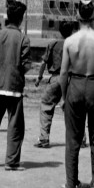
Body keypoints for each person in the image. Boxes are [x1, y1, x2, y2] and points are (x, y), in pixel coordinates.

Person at [60, 0, 94, 188]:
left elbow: (63, 73)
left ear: (77, 16)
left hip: (74, 84)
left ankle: (71, 182)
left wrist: (64, 97)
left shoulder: (69, 42)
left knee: (72, 138)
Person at [0, 0, 32, 171]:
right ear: (21, 19)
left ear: (7, 17)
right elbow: (27, 65)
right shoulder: (23, 38)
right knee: (15, 126)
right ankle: (11, 162)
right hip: (14, 88)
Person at [34, 20, 73, 148]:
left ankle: (44, 139)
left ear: (59, 31)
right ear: (72, 31)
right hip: (72, 79)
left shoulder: (53, 44)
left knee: (46, 104)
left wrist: (39, 77)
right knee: (73, 108)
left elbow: (44, 63)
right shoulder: (74, 44)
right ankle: (80, 139)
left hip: (56, 78)